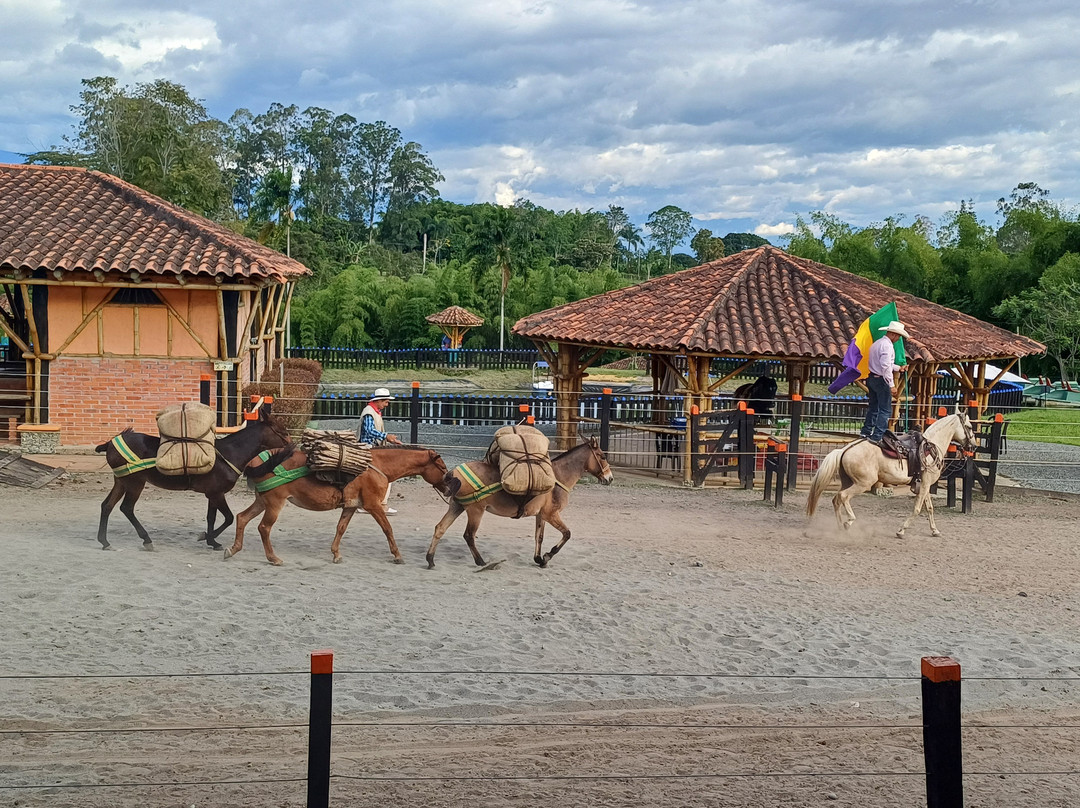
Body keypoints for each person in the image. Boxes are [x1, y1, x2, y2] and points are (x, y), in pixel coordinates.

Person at [860, 320, 910, 445]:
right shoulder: (887, 347)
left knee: (874, 407)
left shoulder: (877, 344)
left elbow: (885, 364)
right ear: (893, 334)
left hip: (872, 377)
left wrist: (898, 368)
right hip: (881, 380)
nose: (898, 339)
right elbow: (886, 367)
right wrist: (892, 385)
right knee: (885, 409)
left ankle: (866, 431)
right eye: (898, 336)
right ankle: (877, 436)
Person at [357, 388, 402, 514]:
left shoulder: (373, 411)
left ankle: (374, 504)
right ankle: (382, 504)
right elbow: (369, 430)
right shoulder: (369, 412)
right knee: (387, 473)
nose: (387, 404)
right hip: (368, 447)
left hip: (372, 447)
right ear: (379, 401)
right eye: (386, 402)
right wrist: (386, 436)